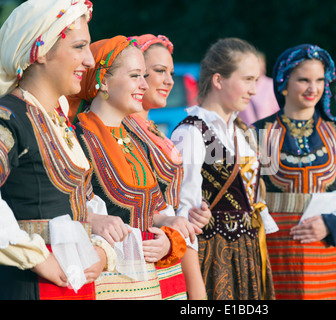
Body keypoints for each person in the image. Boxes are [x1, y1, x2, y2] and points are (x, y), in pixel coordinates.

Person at [0, 0, 122, 300]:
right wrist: (34, 256)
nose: (90, 61)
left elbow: (82, 202)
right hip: (29, 286)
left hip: (74, 282)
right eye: (79, 47)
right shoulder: (9, 116)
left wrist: (102, 251)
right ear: (39, 51)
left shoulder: (57, 120)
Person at [253, 44, 336, 300]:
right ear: (284, 82)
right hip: (274, 246)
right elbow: (245, 192)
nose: (313, 88)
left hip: (326, 247)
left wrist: (330, 223)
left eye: (320, 80)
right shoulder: (259, 132)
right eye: (303, 80)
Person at [68, 35, 186, 300]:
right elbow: (66, 209)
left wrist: (168, 230)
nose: (144, 85)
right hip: (106, 282)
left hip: (151, 282)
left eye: (144, 76)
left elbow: (150, 211)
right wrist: (92, 220)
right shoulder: (77, 138)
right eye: (135, 76)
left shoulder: (138, 141)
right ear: (104, 80)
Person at [171, 37, 278, 300]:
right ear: (218, 80)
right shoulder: (190, 133)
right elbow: (184, 217)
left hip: (248, 255)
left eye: (257, 80)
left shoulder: (244, 133)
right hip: (213, 259)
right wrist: (196, 292)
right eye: (248, 79)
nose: (254, 90)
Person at [124, 34, 211, 300]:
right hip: (141, 264)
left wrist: (192, 215)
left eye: (171, 72)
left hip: (174, 256)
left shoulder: (155, 132)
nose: (170, 81)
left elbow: (171, 204)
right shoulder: (119, 133)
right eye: (159, 71)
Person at [238, 51, 279, 125]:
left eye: (262, 62)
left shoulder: (271, 85)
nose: (261, 66)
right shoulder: (240, 85)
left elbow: (278, 113)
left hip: (266, 132)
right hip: (243, 132)